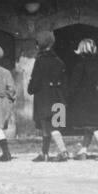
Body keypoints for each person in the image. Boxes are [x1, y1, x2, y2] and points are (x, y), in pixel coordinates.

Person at [67, 39, 98, 160]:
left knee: (93, 126)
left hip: (84, 100)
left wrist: (68, 96)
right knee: (90, 125)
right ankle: (83, 150)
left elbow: (74, 84)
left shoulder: (80, 65)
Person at [28, 30, 69, 162]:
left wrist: (31, 89)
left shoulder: (40, 61)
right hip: (58, 98)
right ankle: (62, 151)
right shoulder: (60, 61)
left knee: (46, 127)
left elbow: (35, 81)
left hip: (44, 99)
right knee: (56, 127)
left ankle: (46, 153)